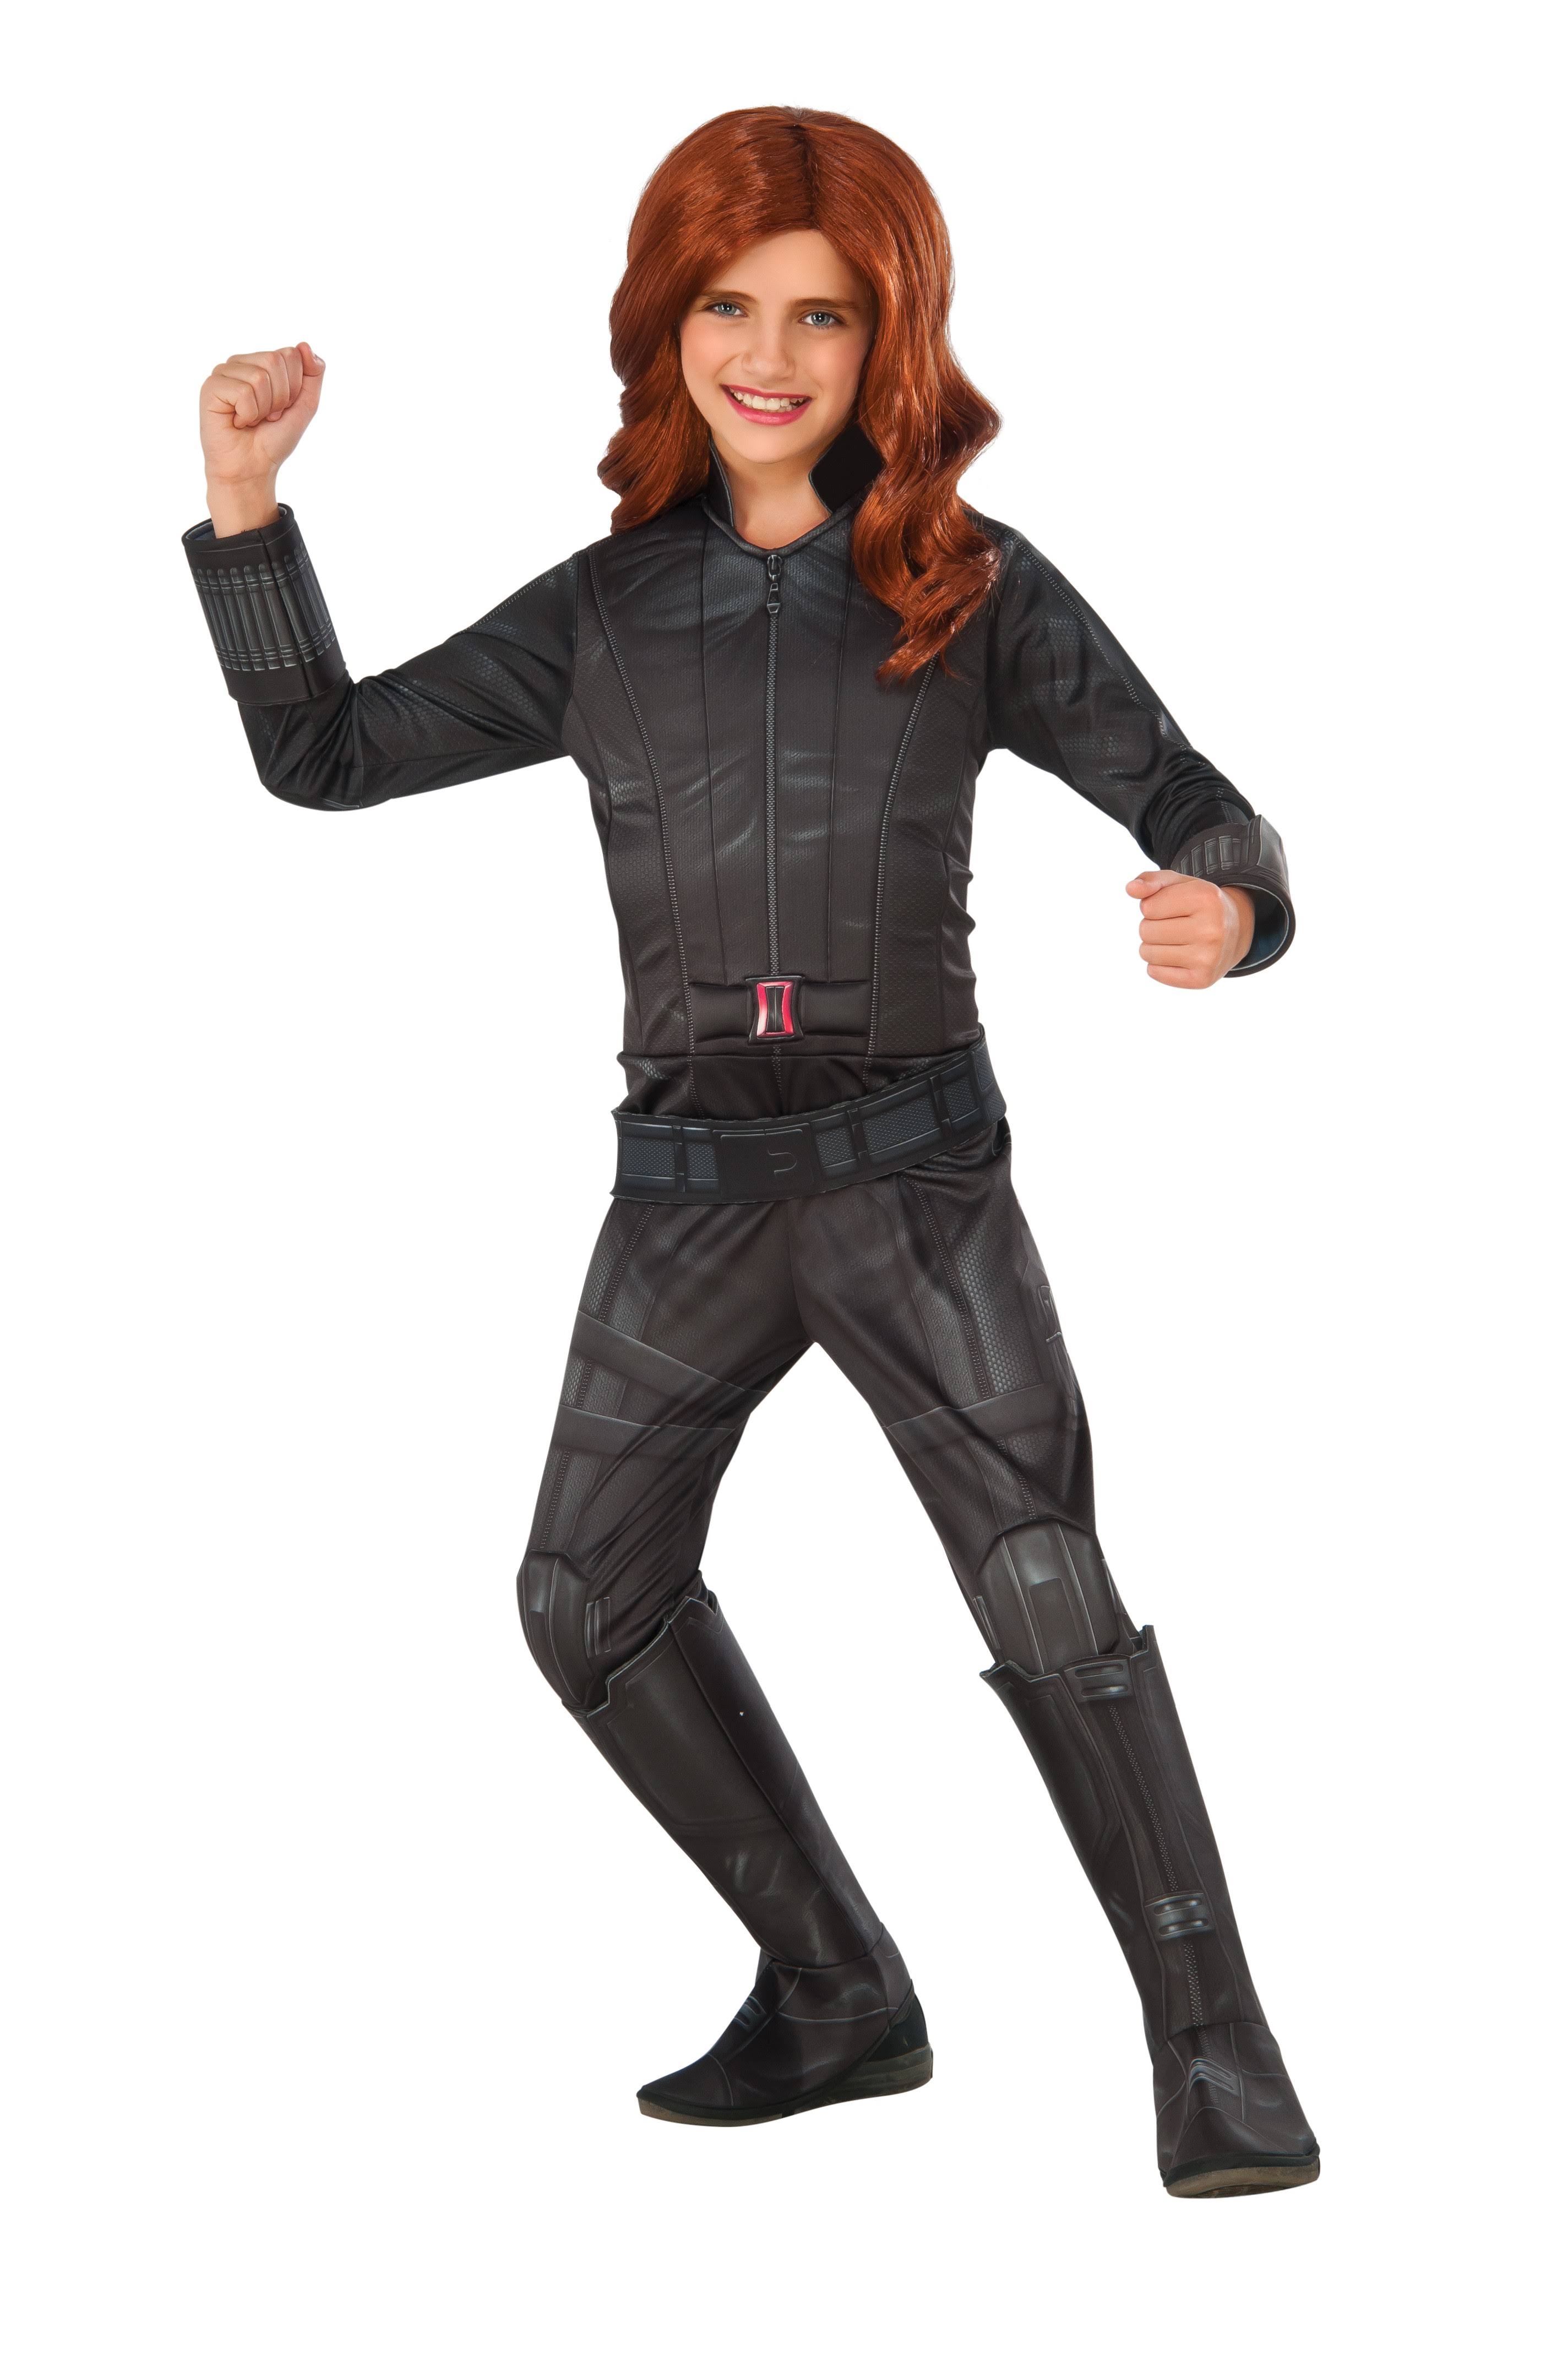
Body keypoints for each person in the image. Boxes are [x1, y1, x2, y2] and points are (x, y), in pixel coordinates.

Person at [183, 105, 1318, 2197]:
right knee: (579, 1600)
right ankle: (835, 1990)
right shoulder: (606, 611)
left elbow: (1197, 800)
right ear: (667, 327)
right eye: (728, 305)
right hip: (686, 1197)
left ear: (890, 334)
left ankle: (1218, 2052)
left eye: (821, 312)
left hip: (916, 1188)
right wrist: (247, 507)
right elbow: (325, 756)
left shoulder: (970, 586)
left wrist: (1231, 910)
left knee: (1047, 1584)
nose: (770, 354)